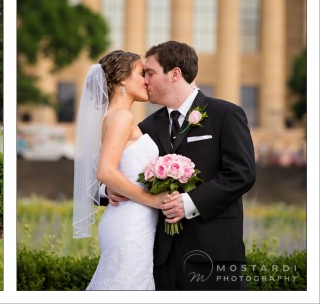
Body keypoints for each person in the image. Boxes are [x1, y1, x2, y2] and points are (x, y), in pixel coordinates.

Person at [104, 41, 256, 290]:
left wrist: (189, 203)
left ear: (174, 74)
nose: (145, 81)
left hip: (214, 254)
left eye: (150, 73)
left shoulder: (226, 114)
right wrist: (107, 190)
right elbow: (115, 170)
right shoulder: (146, 127)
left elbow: (242, 174)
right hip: (159, 258)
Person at [73, 50, 169, 290]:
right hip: (130, 222)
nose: (147, 80)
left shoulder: (114, 116)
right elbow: (105, 171)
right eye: (141, 73)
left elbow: (116, 169)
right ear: (123, 80)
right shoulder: (121, 117)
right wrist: (153, 200)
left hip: (132, 219)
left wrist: (109, 189)